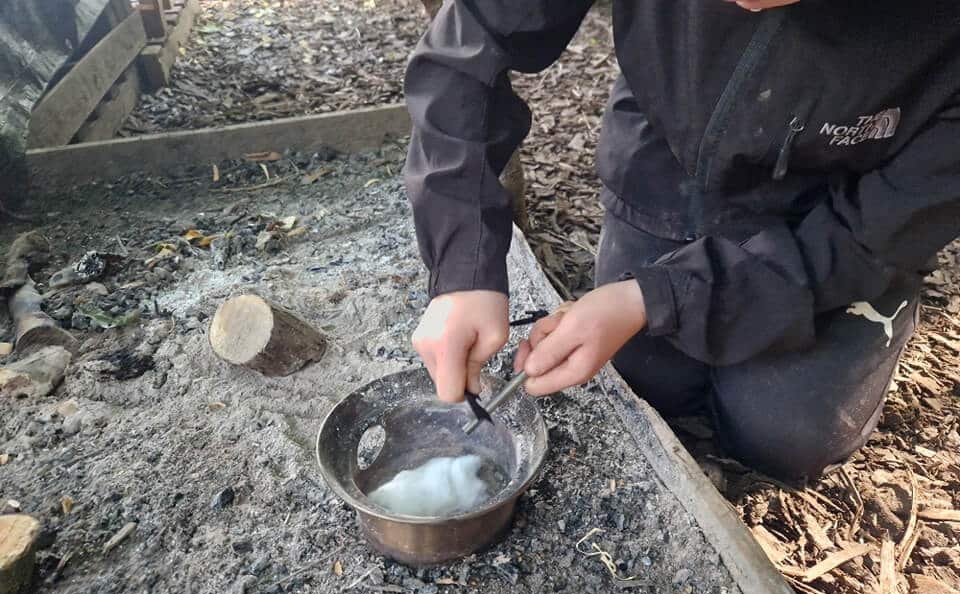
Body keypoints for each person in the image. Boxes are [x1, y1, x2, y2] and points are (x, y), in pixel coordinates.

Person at [402, 0, 960, 481]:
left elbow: (875, 232)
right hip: (666, 154)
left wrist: (656, 298)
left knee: (785, 435)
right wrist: (462, 267)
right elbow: (468, 48)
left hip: (840, 203)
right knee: (648, 380)